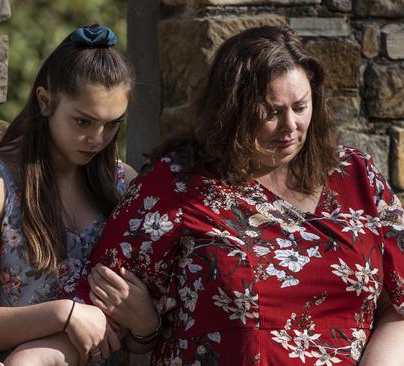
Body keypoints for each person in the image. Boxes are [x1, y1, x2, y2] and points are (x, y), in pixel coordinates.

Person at [70, 25, 404, 365]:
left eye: (301, 107)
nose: (290, 125)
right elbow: (98, 303)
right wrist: (147, 329)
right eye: (271, 112)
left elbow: (400, 304)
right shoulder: (177, 183)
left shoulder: (356, 174)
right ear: (231, 111)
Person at [0, 25, 138, 366]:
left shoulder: (124, 183)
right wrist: (63, 314)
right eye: (83, 122)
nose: (98, 139)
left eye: (112, 125)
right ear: (45, 102)